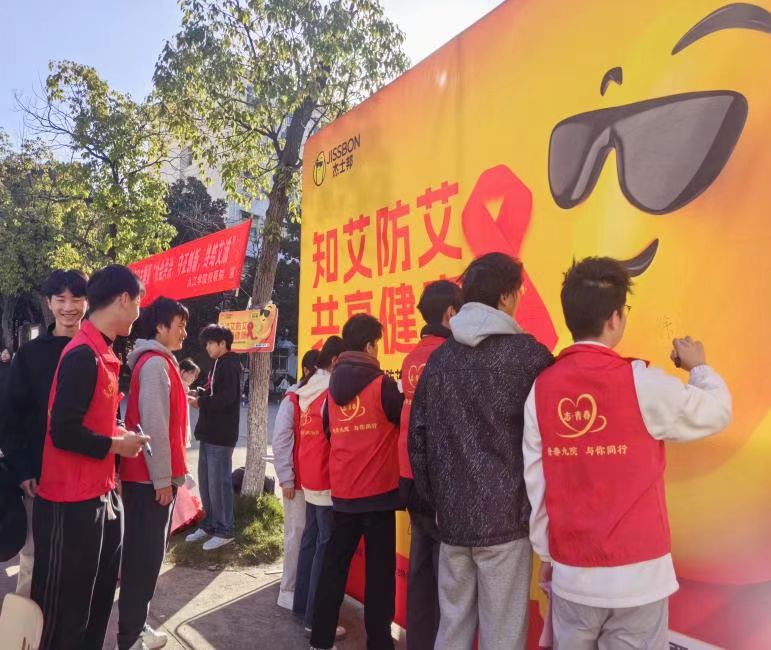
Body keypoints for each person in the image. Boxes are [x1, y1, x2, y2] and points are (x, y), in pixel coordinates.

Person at [523, 257, 732, 649]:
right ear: (615, 318)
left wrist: (548, 556)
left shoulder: (541, 389)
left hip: (573, 575)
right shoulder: (644, 383)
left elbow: (537, 484)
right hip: (639, 578)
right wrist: (699, 368)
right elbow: (717, 411)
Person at [409, 253, 553, 650]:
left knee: (452, 629)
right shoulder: (530, 357)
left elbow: (417, 441)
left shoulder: (439, 360)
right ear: (505, 296)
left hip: (452, 522)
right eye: (518, 291)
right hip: (506, 523)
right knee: (502, 635)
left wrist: (438, 501)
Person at [31, 264, 150, 650]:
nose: (138, 313)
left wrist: (120, 433)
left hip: (99, 493)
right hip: (70, 503)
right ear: (124, 299)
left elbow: (92, 419)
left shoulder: (103, 352)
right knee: (66, 614)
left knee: (96, 604)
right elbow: (63, 431)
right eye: (139, 303)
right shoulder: (83, 354)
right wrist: (117, 445)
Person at [310, 314, 404, 650]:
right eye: (377, 344)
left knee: (334, 569)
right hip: (379, 495)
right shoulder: (384, 386)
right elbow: (406, 427)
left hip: (344, 495)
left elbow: (329, 434)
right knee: (380, 576)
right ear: (369, 346)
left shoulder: (330, 391)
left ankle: (320, 640)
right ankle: (379, 643)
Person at [0, 269, 88, 597]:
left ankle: (67, 621)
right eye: (60, 299)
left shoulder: (97, 350)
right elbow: (9, 418)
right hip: (40, 477)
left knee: (78, 556)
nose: (69, 307)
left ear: (87, 302)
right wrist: (22, 469)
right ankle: (27, 625)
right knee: (34, 558)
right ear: (49, 303)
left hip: (87, 476)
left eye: (76, 298)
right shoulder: (30, 355)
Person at [118, 297, 191, 650]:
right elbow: (155, 426)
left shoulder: (159, 362)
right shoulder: (154, 365)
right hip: (147, 481)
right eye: (180, 325)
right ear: (160, 327)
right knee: (143, 560)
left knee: (147, 558)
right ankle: (130, 637)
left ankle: (137, 626)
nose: (184, 332)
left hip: (149, 478)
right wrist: (162, 479)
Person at [399, 280, 462, 650]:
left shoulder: (411, 358)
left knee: (420, 568)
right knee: (446, 579)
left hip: (410, 478)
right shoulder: (449, 356)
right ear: (451, 313)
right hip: (439, 482)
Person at [291, 337, 346, 637]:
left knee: (311, 542)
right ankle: (316, 620)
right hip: (325, 477)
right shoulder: (329, 390)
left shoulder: (308, 388)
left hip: (310, 474)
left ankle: (302, 607)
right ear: (336, 361)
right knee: (325, 550)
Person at [185, 324, 242, 551]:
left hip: (221, 434)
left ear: (222, 343)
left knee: (219, 483)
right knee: (207, 481)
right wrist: (198, 393)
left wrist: (201, 402)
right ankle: (210, 524)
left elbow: (227, 398)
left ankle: (225, 529)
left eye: (210, 343)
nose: (207, 347)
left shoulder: (230, 364)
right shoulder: (219, 363)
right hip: (210, 433)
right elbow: (214, 391)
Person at [273, 349, 320, 610]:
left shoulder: (320, 396)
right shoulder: (293, 399)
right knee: (296, 535)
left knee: (308, 538)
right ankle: (287, 590)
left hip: (317, 483)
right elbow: (280, 441)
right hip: (297, 483)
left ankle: (302, 588)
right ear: (307, 371)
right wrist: (287, 478)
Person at [179, 358, 201, 449]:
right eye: (192, 373)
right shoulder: (176, 385)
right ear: (183, 372)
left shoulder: (186, 387)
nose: (194, 378)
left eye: (195, 376)